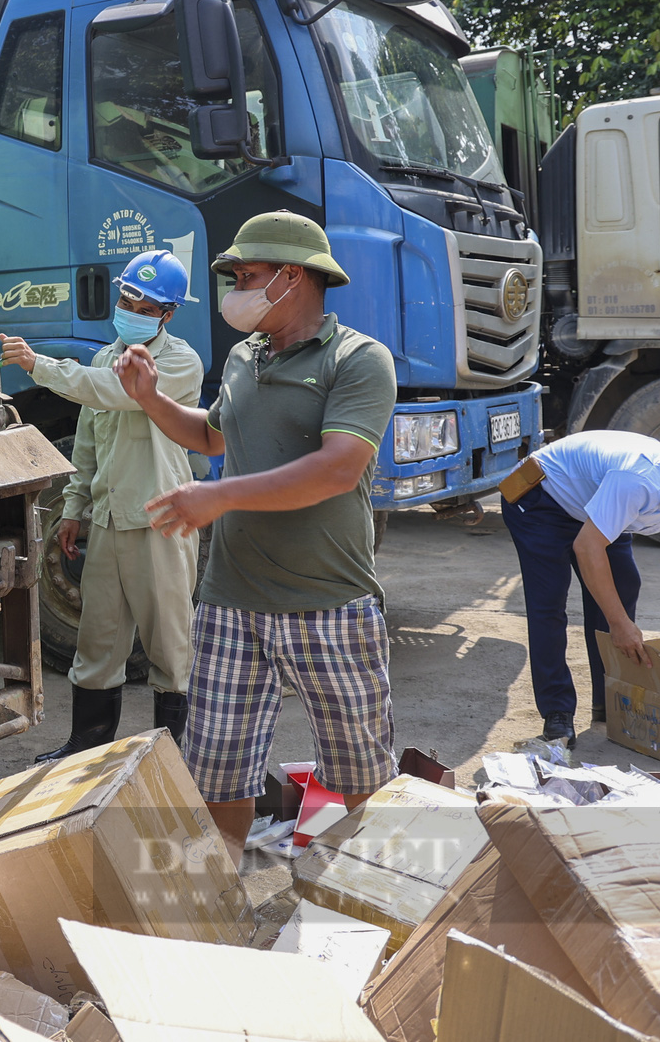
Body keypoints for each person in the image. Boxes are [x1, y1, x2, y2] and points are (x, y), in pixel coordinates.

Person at [113, 211, 397, 866]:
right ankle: (220, 896)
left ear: (292, 277)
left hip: (328, 601)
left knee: (358, 776)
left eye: (248, 276)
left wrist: (218, 494)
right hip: (230, 602)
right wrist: (153, 400)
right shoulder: (245, 356)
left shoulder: (357, 360)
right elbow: (216, 436)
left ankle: (364, 897)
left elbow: (339, 467)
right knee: (215, 772)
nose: (235, 290)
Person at [0, 250, 203, 758]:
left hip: (162, 519)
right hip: (109, 522)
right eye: (127, 297)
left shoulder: (179, 362)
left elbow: (117, 393)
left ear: (168, 314)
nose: (132, 307)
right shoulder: (100, 357)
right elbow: (88, 444)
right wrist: (73, 508)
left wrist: (39, 366)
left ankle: (173, 755)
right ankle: (86, 744)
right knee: (98, 642)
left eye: (147, 304)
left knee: (169, 648)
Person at [499, 430, 660, 742]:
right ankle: (557, 712)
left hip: (597, 502)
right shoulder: (640, 480)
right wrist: (620, 623)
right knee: (549, 603)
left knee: (622, 587)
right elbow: (587, 548)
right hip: (544, 498)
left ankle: (608, 704)